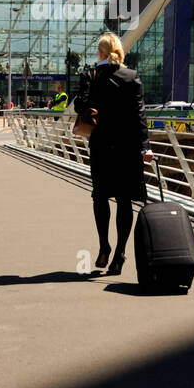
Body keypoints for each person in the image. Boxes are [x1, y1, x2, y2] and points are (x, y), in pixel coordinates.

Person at [74, 32, 153, 276]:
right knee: (124, 200)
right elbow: (139, 114)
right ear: (119, 51)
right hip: (127, 147)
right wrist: (145, 146)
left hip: (101, 146)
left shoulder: (90, 75)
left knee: (100, 197)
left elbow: (81, 105)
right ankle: (120, 252)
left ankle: (103, 246)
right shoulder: (131, 76)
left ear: (100, 52)